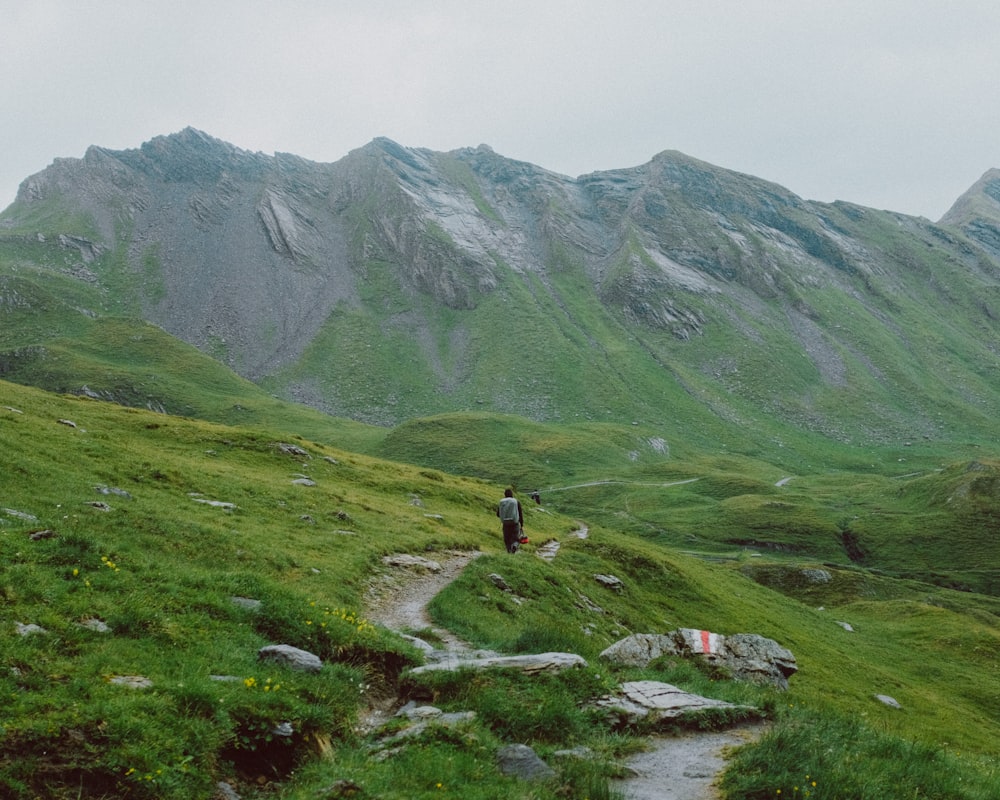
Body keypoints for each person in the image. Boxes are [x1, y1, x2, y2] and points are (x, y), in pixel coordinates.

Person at [496, 488, 524, 553]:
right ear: (512, 495)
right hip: (515, 523)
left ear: (505, 495)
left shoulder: (502, 502)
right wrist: (522, 524)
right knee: (516, 538)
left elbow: (498, 514)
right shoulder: (516, 501)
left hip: (505, 524)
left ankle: (509, 551)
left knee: (507, 539)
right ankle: (514, 546)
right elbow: (520, 514)